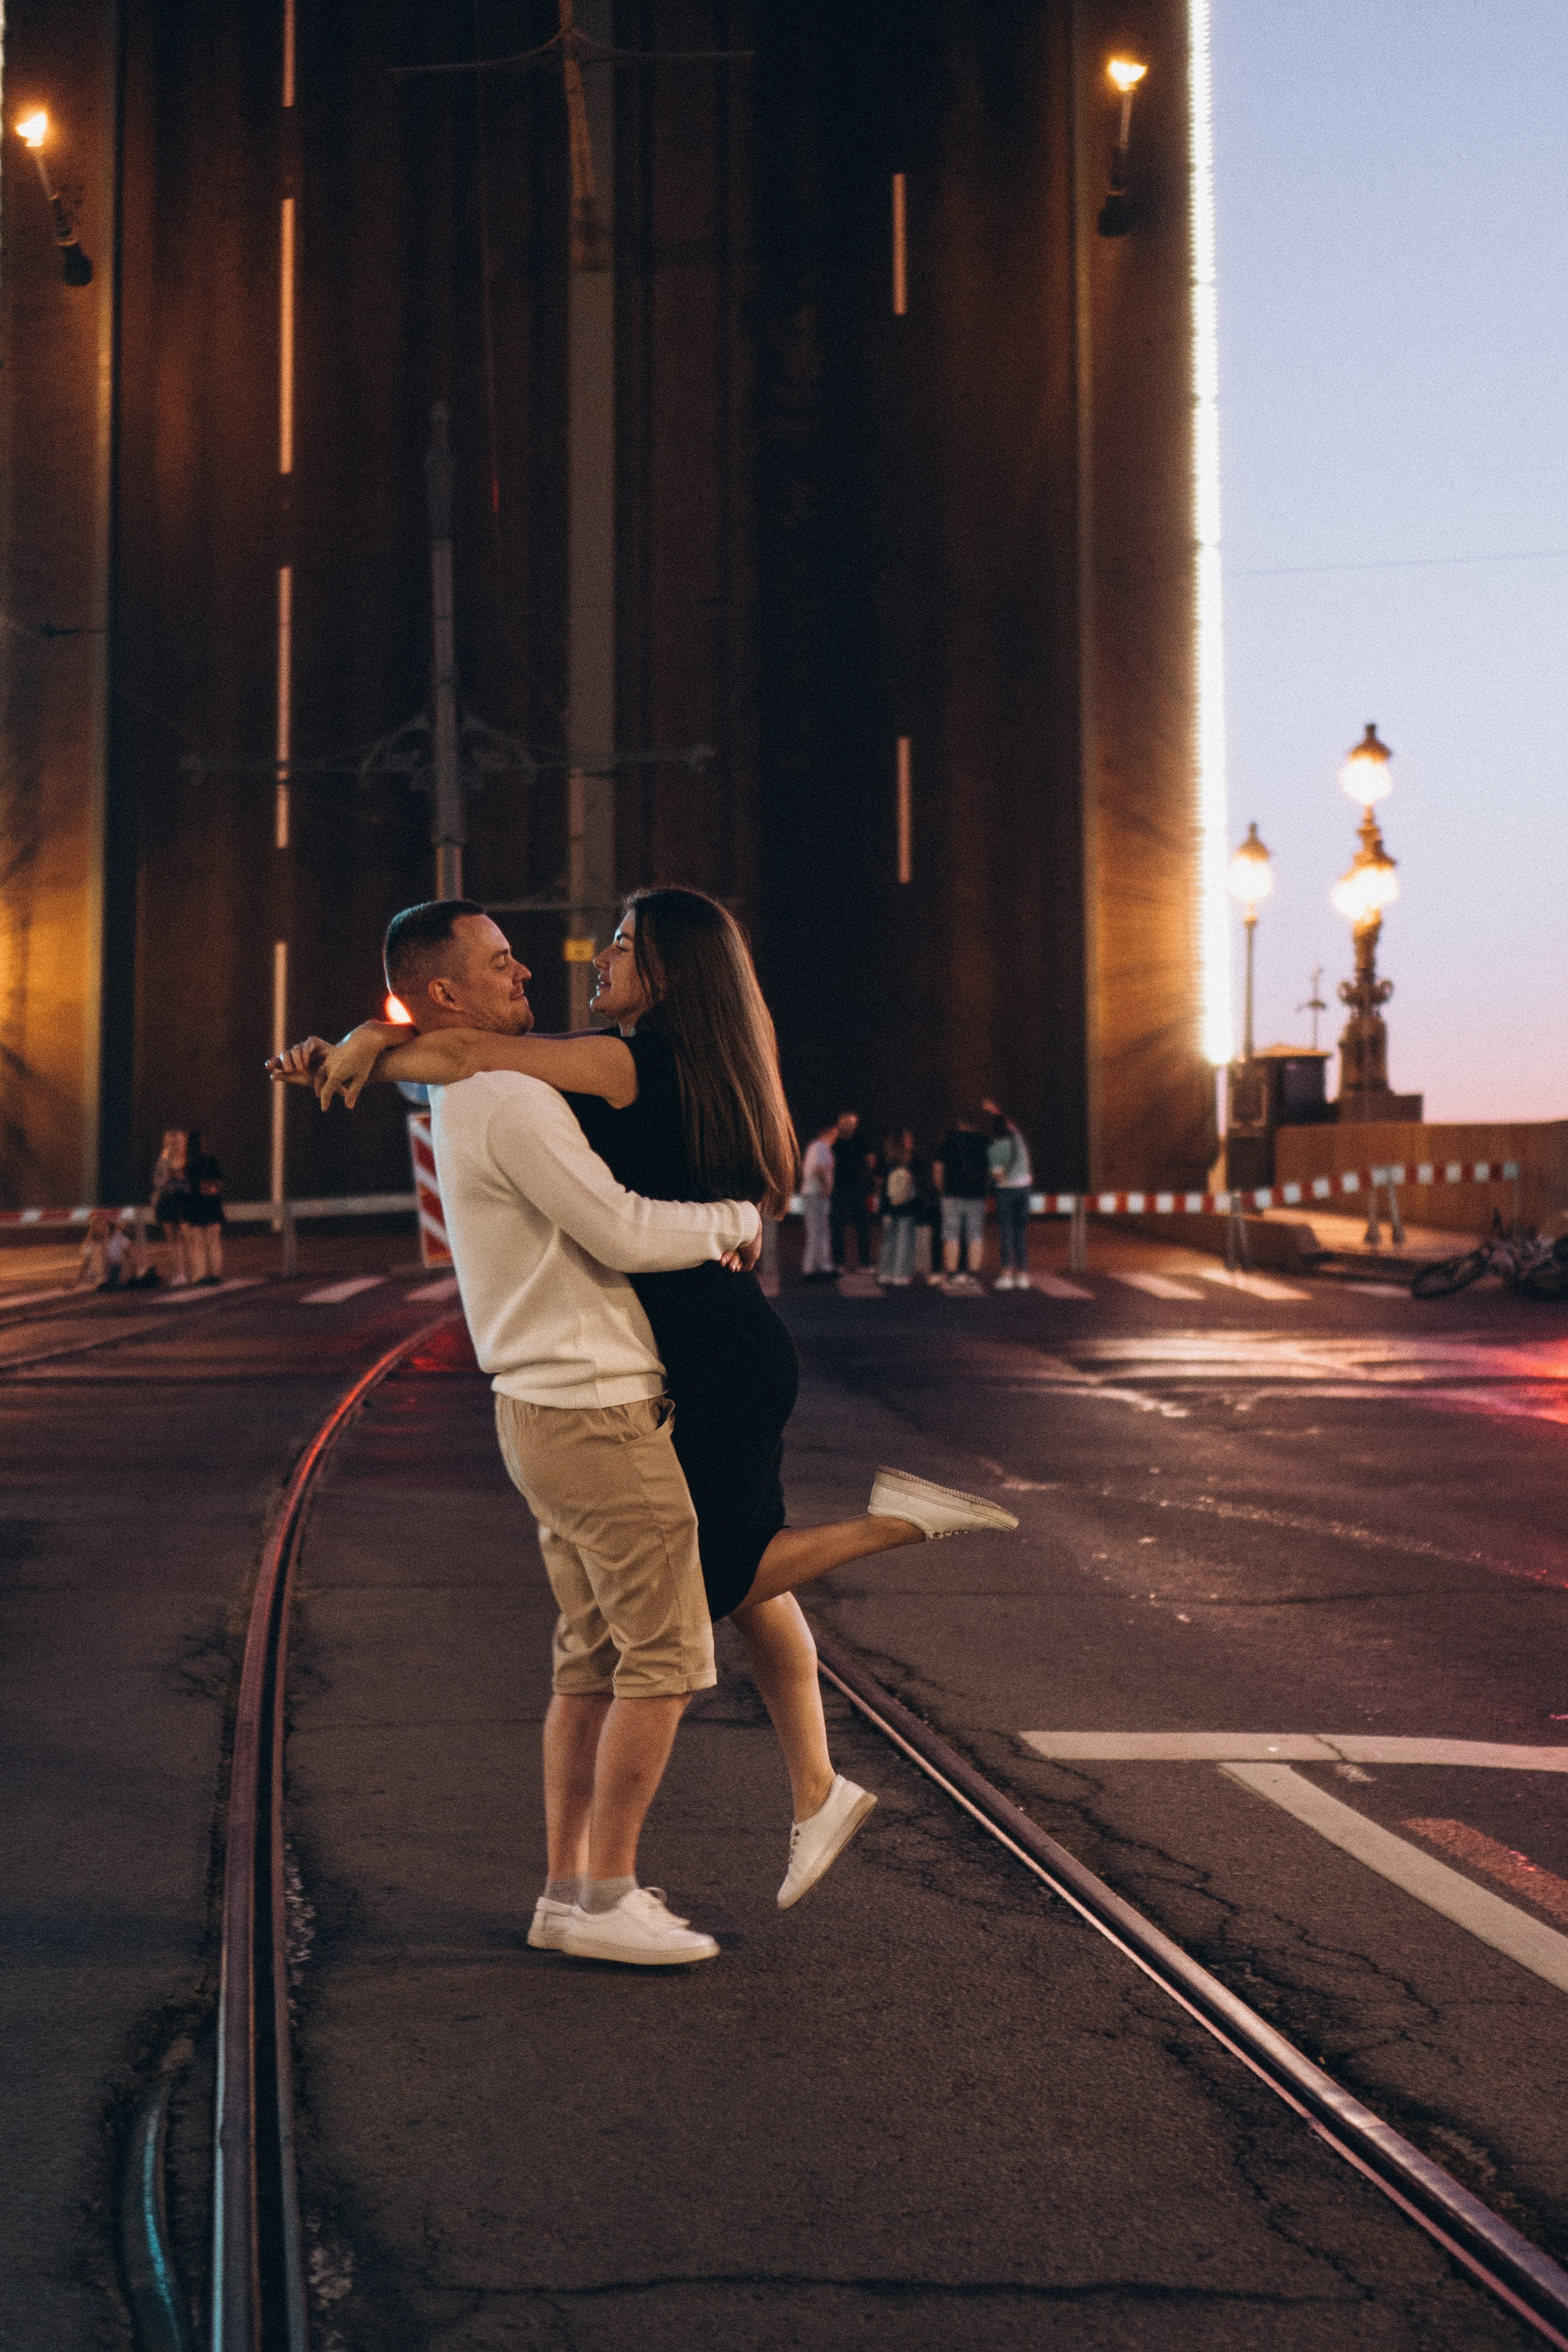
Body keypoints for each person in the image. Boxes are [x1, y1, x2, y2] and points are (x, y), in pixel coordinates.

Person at [287, 889, 1019, 1921]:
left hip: (711, 1351)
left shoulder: (632, 1062)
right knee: (739, 1571)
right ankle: (817, 1791)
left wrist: (365, 1038)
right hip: (723, 1338)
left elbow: (464, 1061)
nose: (592, 960)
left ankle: (901, 1520)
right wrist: (358, 1046)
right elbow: (467, 1059)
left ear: (669, 972)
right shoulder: (697, 1062)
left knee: (716, 1580)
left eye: (623, 947)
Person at [276, 902, 766, 1967]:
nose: (526, 971)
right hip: (592, 1405)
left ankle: (567, 1891)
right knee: (669, 1658)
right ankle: (605, 1896)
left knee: (589, 1661)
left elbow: (437, 1060)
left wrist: (364, 1043)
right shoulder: (509, 1097)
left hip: (544, 1406)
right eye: (499, 963)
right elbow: (622, 1227)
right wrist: (736, 1221)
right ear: (445, 993)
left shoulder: (472, 1092)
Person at [933, 1114, 992, 1292]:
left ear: (960, 1124)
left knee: (951, 1234)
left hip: (952, 1194)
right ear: (976, 1125)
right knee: (975, 1235)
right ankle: (972, 1275)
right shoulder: (985, 1142)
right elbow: (992, 1168)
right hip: (976, 1194)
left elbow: (938, 1168)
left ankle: (953, 1275)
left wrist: (942, 1189)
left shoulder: (949, 1140)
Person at [983, 1099, 1034, 1291]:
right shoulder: (1019, 1141)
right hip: (1024, 1190)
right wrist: (997, 1111)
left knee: (1006, 1232)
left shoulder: (993, 1149)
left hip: (1005, 1192)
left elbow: (998, 1176)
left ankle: (1006, 1273)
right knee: (1020, 1233)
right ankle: (1023, 1275)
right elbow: (1011, 1125)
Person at [829, 1110, 874, 1273]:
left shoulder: (860, 1140)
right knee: (837, 1227)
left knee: (863, 1227)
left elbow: (871, 1161)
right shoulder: (834, 1142)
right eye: (846, 1124)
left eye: (853, 1124)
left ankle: (865, 1262)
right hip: (838, 1189)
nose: (850, 1127)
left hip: (857, 1189)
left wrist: (870, 1177)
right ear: (840, 1124)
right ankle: (839, 1262)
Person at [875, 1131, 919, 1287]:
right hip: (906, 1206)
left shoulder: (884, 1158)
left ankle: (885, 1273)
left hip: (888, 1204)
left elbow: (879, 1181)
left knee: (888, 1239)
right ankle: (901, 1274)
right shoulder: (910, 1159)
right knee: (904, 1240)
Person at [182, 1129, 226, 1284]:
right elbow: (220, 1182)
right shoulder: (211, 1161)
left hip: (195, 1206)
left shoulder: (187, 1165)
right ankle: (215, 1274)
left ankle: (200, 1275)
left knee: (197, 1244)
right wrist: (212, 1188)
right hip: (212, 1205)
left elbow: (186, 1188)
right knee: (214, 1241)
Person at [151, 1128, 190, 1287]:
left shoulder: (188, 1159)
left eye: (178, 1141)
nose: (175, 1144)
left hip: (184, 1201)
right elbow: (156, 1181)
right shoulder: (164, 1160)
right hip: (168, 1201)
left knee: (185, 1237)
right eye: (171, 1142)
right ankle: (179, 1272)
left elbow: (193, 1181)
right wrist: (168, 1178)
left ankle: (190, 1271)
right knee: (172, 1240)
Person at [799, 1120, 837, 1282]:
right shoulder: (822, 1147)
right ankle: (815, 1268)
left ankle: (817, 1266)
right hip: (816, 1194)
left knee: (817, 1231)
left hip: (811, 1193)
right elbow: (818, 1169)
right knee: (818, 1231)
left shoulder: (814, 1147)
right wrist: (825, 1187)